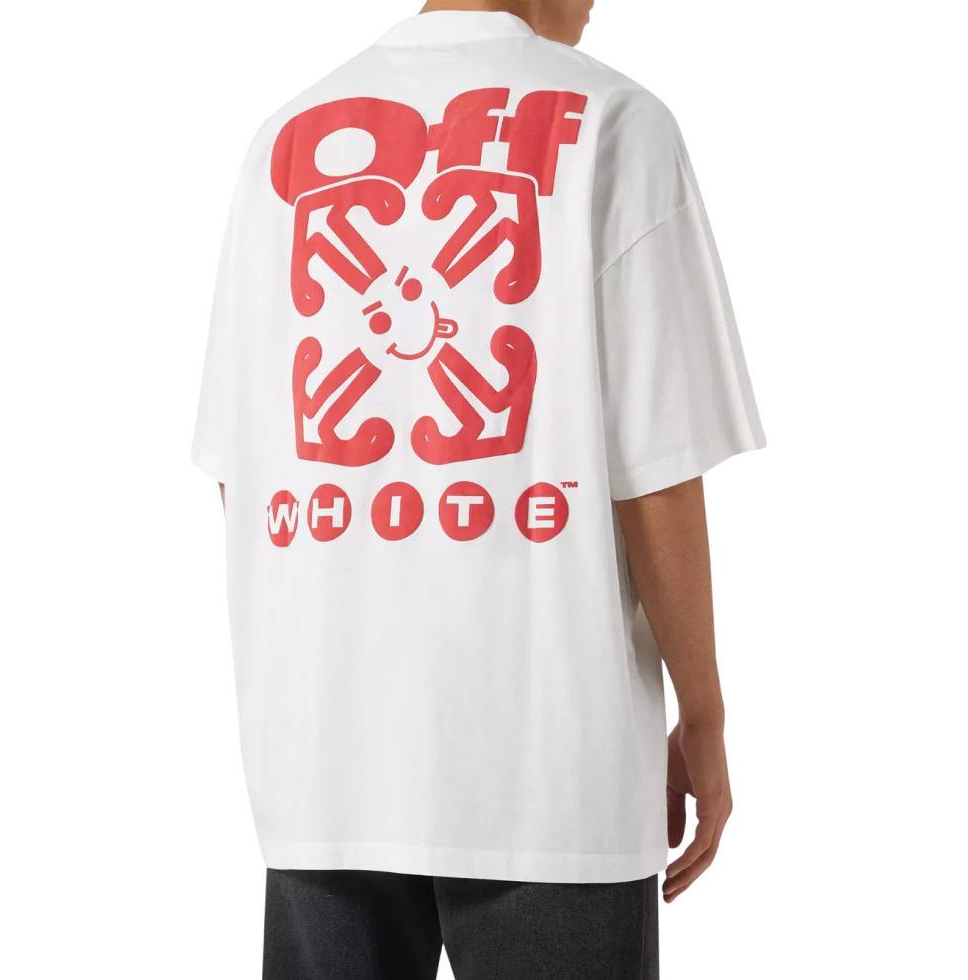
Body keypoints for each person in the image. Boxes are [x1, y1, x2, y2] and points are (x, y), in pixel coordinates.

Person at [192, 1, 765, 976]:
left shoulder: (282, 140)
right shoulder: (617, 121)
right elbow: (655, 475)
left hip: (325, 766)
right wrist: (704, 718)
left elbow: (242, 471)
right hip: (549, 772)